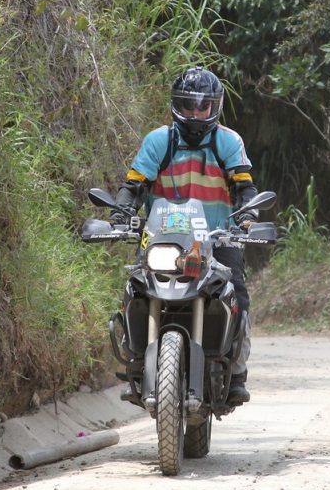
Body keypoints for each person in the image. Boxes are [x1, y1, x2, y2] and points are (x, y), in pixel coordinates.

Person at [110, 66, 259, 405]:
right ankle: (135, 357)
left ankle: (236, 372)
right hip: (163, 238)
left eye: (203, 106)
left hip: (219, 239)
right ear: (176, 105)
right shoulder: (158, 141)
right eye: (188, 105)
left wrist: (248, 218)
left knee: (238, 294)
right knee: (135, 287)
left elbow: (245, 189)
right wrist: (120, 215)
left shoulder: (228, 142)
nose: (195, 113)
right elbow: (133, 186)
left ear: (214, 107)